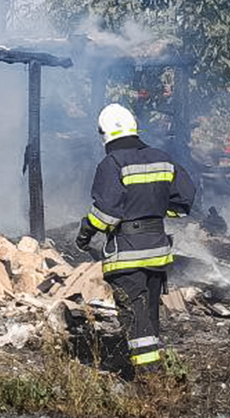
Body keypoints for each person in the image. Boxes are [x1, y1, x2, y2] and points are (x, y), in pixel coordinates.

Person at [75, 104, 196, 377]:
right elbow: (184, 199)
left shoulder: (112, 163)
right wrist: (152, 211)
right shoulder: (163, 158)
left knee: (135, 316)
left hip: (127, 254)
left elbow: (105, 215)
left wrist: (84, 233)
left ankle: (149, 379)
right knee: (150, 313)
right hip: (158, 251)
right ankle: (157, 369)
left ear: (104, 134)